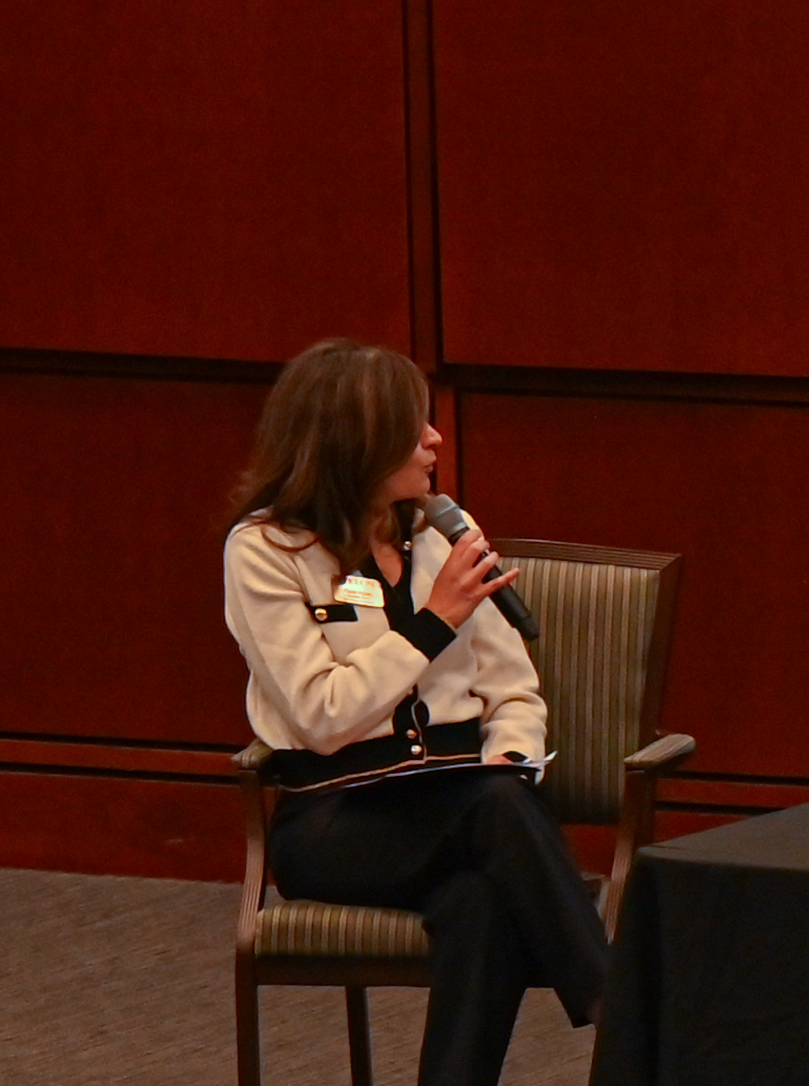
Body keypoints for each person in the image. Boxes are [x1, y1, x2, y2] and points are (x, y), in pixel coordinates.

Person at [221, 339, 602, 1086]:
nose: (435, 440)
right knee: (494, 810)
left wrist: (512, 756)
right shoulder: (266, 549)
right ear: (355, 441)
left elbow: (515, 690)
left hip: (464, 806)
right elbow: (322, 713)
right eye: (414, 426)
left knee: (481, 902)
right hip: (338, 821)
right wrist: (433, 620)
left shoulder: (439, 536)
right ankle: (629, 1017)